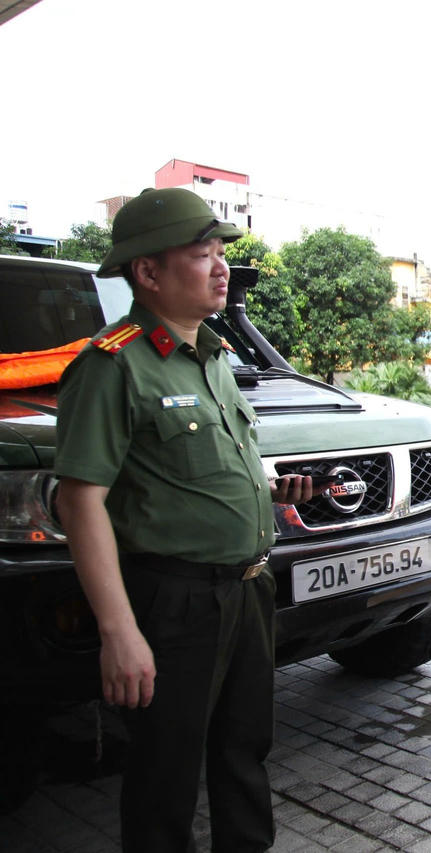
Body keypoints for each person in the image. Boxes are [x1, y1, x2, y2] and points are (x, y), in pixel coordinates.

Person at [54, 188, 313, 852]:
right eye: (203, 254)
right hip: (173, 602)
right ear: (148, 272)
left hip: (247, 590)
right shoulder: (113, 365)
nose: (222, 267)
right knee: (165, 776)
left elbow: (208, 467)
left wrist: (274, 489)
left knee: (244, 753)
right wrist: (120, 632)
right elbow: (79, 501)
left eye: (222, 252)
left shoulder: (214, 359)